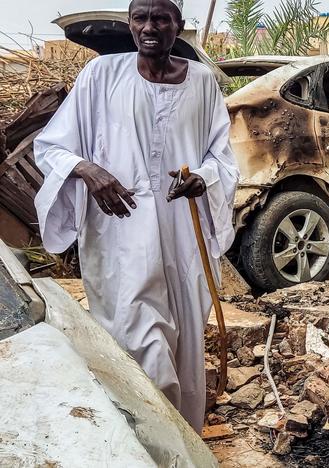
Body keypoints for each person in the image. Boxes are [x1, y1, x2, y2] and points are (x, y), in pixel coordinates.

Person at [33, 0, 238, 433]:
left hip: (183, 232)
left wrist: (201, 177)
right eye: (140, 18)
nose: (150, 27)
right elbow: (52, 147)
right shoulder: (101, 75)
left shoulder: (202, 83)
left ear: (178, 25)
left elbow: (222, 157)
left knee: (183, 341)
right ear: (129, 23)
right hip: (119, 234)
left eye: (161, 18)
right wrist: (88, 171)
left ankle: (183, 443)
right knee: (142, 344)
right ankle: (147, 444)